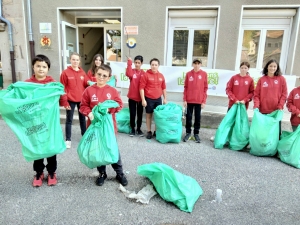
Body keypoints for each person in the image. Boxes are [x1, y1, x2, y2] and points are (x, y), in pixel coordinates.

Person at [80, 64, 128, 187]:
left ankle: (120, 173)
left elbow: (119, 104)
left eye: (104, 76)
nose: (101, 77)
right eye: (99, 74)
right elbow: (83, 106)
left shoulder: (112, 91)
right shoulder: (89, 90)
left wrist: (109, 110)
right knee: (99, 150)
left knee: (112, 149)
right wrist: (89, 113)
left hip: (109, 127)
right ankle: (102, 173)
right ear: (95, 74)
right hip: (95, 127)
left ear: (109, 78)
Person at [26, 54, 70, 187]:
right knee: (37, 146)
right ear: (33, 67)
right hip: (34, 121)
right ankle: (39, 172)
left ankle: (52, 172)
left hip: (49, 122)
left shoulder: (52, 83)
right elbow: (19, 96)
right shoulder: (27, 84)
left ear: (48, 69)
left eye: (44, 67)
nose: (41, 69)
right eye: (38, 66)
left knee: (50, 146)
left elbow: (61, 92)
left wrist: (65, 103)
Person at [210, 62, 254, 142]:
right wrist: (235, 99)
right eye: (242, 67)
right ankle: (221, 137)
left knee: (239, 124)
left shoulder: (250, 80)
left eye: (245, 68)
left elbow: (252, 93)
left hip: (242, 106)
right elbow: (228, 90)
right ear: (239, 68)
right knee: (228, 122)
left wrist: (244, 100)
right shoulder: (234, 78)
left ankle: (235, 140)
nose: (243, 69)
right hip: (232, 105)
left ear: (248, 69)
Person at [60, 52, 89, 149]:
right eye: (73, 59)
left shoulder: (82, 73)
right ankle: (68, 140)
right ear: (70, 60)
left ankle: (84, 137)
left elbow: (87, 84)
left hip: (81, 100)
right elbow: (62, 88)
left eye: (77, 60)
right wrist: (64, 101)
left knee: (82, 119)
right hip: (70, 100)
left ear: (79, 61)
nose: (75, 61)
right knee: (69, 120)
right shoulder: (65, 73)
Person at [253, 59, 287, 136]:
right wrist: (256, 106)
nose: (272, 68)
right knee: (263, 131)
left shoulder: (281, 79)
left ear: (277, 68)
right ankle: (263, 147)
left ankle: (274, 147)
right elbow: (256, 95)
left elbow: (284, 94)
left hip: (276, 111)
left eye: (275, 66)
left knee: (275, 133)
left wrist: (280, 105)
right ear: (267, 67)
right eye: (270, 66)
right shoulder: (262, 79)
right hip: (263, 110)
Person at [139, 58, 167, 139]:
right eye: (152, 65)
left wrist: (165, 98)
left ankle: (156, 131)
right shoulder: (146, 75)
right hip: (149, 99)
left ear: (158, 66)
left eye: (156, 65)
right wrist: (143, 99)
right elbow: (141, 88)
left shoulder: (161, 76)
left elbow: (164, 88)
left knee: (157, 116)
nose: (154, 66)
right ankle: (148, 131)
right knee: (149, 115)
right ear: (150, 65)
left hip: (158, 99)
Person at [183, 58, 208, 143]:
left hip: (199, 101)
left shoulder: (204, 74)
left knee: (197, 118)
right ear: (192, 64)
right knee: (188, 118)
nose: (196, 65)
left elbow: (205, 89)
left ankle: (196, 134)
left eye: (198, 63)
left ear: (200, 64)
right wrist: (185, 100)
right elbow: (185, 88)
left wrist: (204, 101)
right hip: (189, 100)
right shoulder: (188, 74)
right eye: (195, 63)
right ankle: (188, 133)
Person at [126, 55, 145, 137]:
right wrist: (129, 63)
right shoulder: (132, 71)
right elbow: (128, 73)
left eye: (138, 63)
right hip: (132, 97)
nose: (137, 64)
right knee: (132, 114)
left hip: (140, 98)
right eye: (135, 62)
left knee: (140, 114)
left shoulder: (144, 73)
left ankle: (139, 129)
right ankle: (133, 129)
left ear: (141, 63)